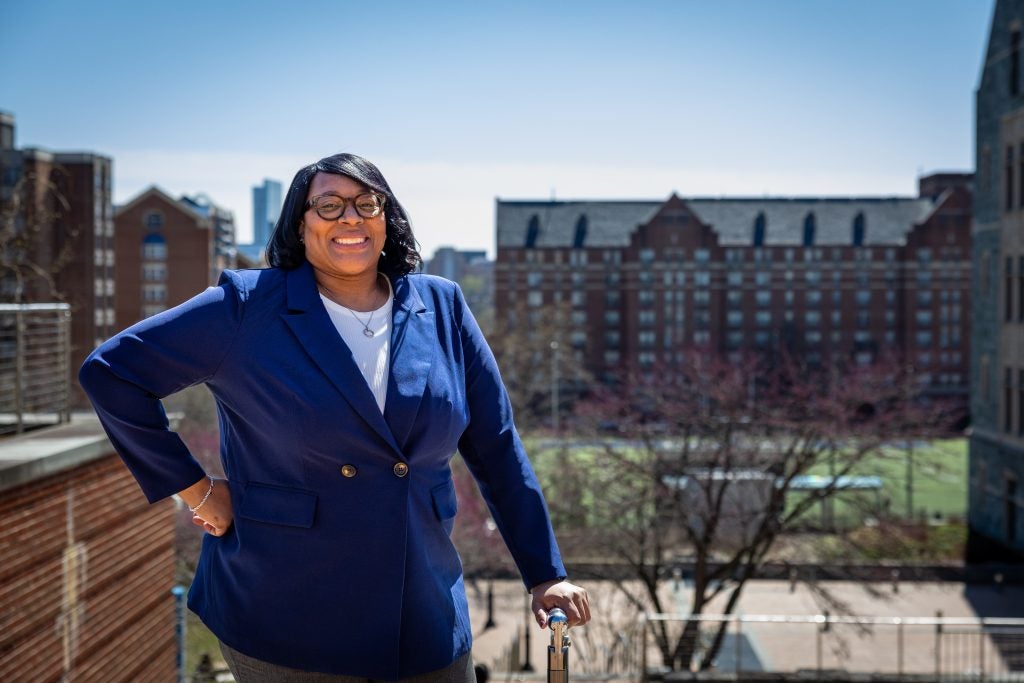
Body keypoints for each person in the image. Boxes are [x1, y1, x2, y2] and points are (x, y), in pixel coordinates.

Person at [79, 153, 590, 681]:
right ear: (300, 226)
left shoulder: (442, 306)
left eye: (367, 203)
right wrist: (197, 489)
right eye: (328, 205)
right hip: (288, 614)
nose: (350, 217)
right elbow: (112, 372)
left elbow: (497, 446)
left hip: (426, 611)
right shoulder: (246, 307)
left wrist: (544, 573)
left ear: (387, 220)